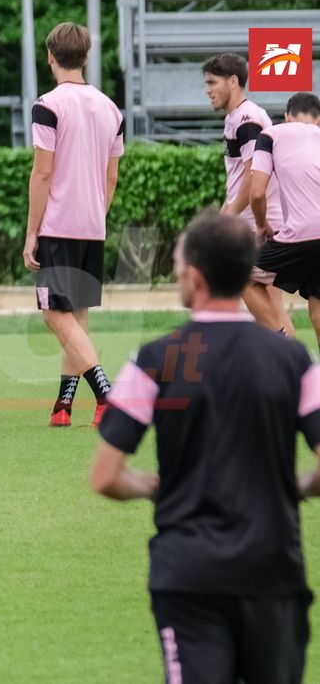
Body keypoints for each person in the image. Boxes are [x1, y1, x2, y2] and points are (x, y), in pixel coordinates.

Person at [93, 211, 318, 683]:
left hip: (187, 574)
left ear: (193, 277)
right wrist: (291, 484)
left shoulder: (154, 358)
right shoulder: (293, 358)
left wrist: (159, 486)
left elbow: (106, 475)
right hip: (272, 571)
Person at [23, 22, 120, 428]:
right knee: (75, 315)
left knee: (53, 314)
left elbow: (42, 173)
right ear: (86, 56)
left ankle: (107, 393)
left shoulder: (48, 104)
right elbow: (111, 177)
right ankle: (64, 405)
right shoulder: (110, 107)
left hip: (59, 224)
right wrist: (97, 211)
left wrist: (32, 233)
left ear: (50, 56)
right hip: (91, 225)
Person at [202, 52, 292, 334]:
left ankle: (283, 354)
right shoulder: (237, 118)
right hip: (255, 220)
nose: (208, 90)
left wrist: (228, 215)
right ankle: (298, 368)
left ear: (233, 81)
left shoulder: (247, 119)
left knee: (238, 277)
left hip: (258, 222)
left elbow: (254, 175)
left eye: (212, 83)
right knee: (272, 305)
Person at [251, 92, 320, 349]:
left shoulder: (271, 135)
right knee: (317, 304)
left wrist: (262, 227)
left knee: (242, 275)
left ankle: (281, 346)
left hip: (299, 234)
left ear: (287, 116)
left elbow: (257, 193)